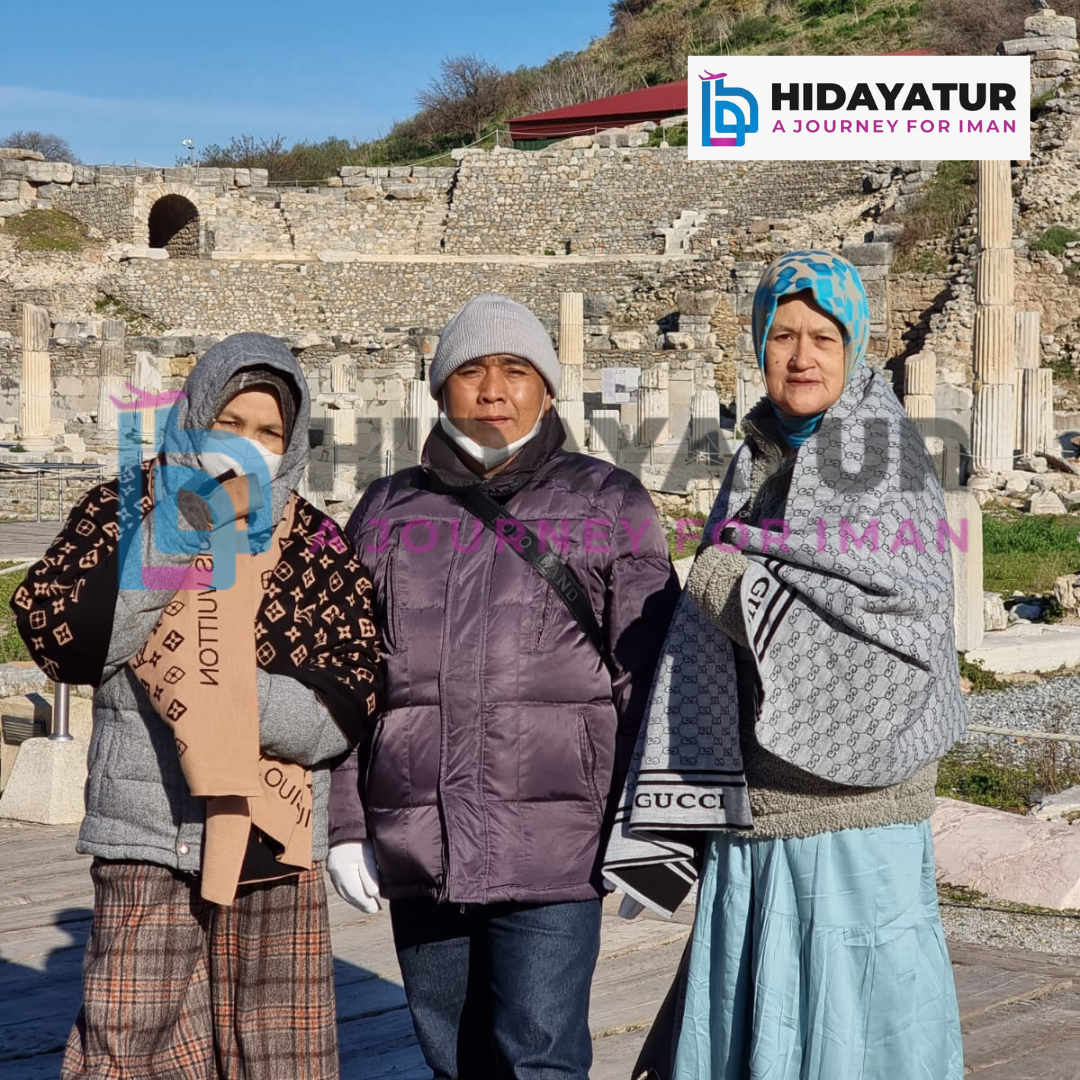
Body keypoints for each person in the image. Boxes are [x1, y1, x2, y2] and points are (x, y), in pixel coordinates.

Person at [604, 252, 968, 1080]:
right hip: (759, 807)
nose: (802, 357)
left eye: (823, 338)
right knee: (762, 1021)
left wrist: (726, 585)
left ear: (856, 347)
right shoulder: (761, 455)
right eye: (782, 336)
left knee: (856, 1030)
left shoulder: (881, 460)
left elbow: (895, 632)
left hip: (857, 816)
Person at [11, 332, 384, 1080]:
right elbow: (73, 643)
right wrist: (183, 527)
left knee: (278, 1055)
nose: (247, 445)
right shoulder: (123, 508)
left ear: (291, 444)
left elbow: (347, 699)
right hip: (145, 827)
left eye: (269, 432)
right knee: (127, 1047)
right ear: (195, 416)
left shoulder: (316, 543)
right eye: (230, 422)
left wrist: (226, 700)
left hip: (275, 836)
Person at [327, 292, 681, 1079]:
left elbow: (651, 676)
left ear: (547, 389)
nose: (493, 389)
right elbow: (348, 680)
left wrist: (651, 821)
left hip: (558, 840)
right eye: (472, 370)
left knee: (540, 1060)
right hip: (420, 837)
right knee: (452, 1059)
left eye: (516, 370)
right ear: (439, 389)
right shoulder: (384, 509)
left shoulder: (610, 501)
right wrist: (347, 824)